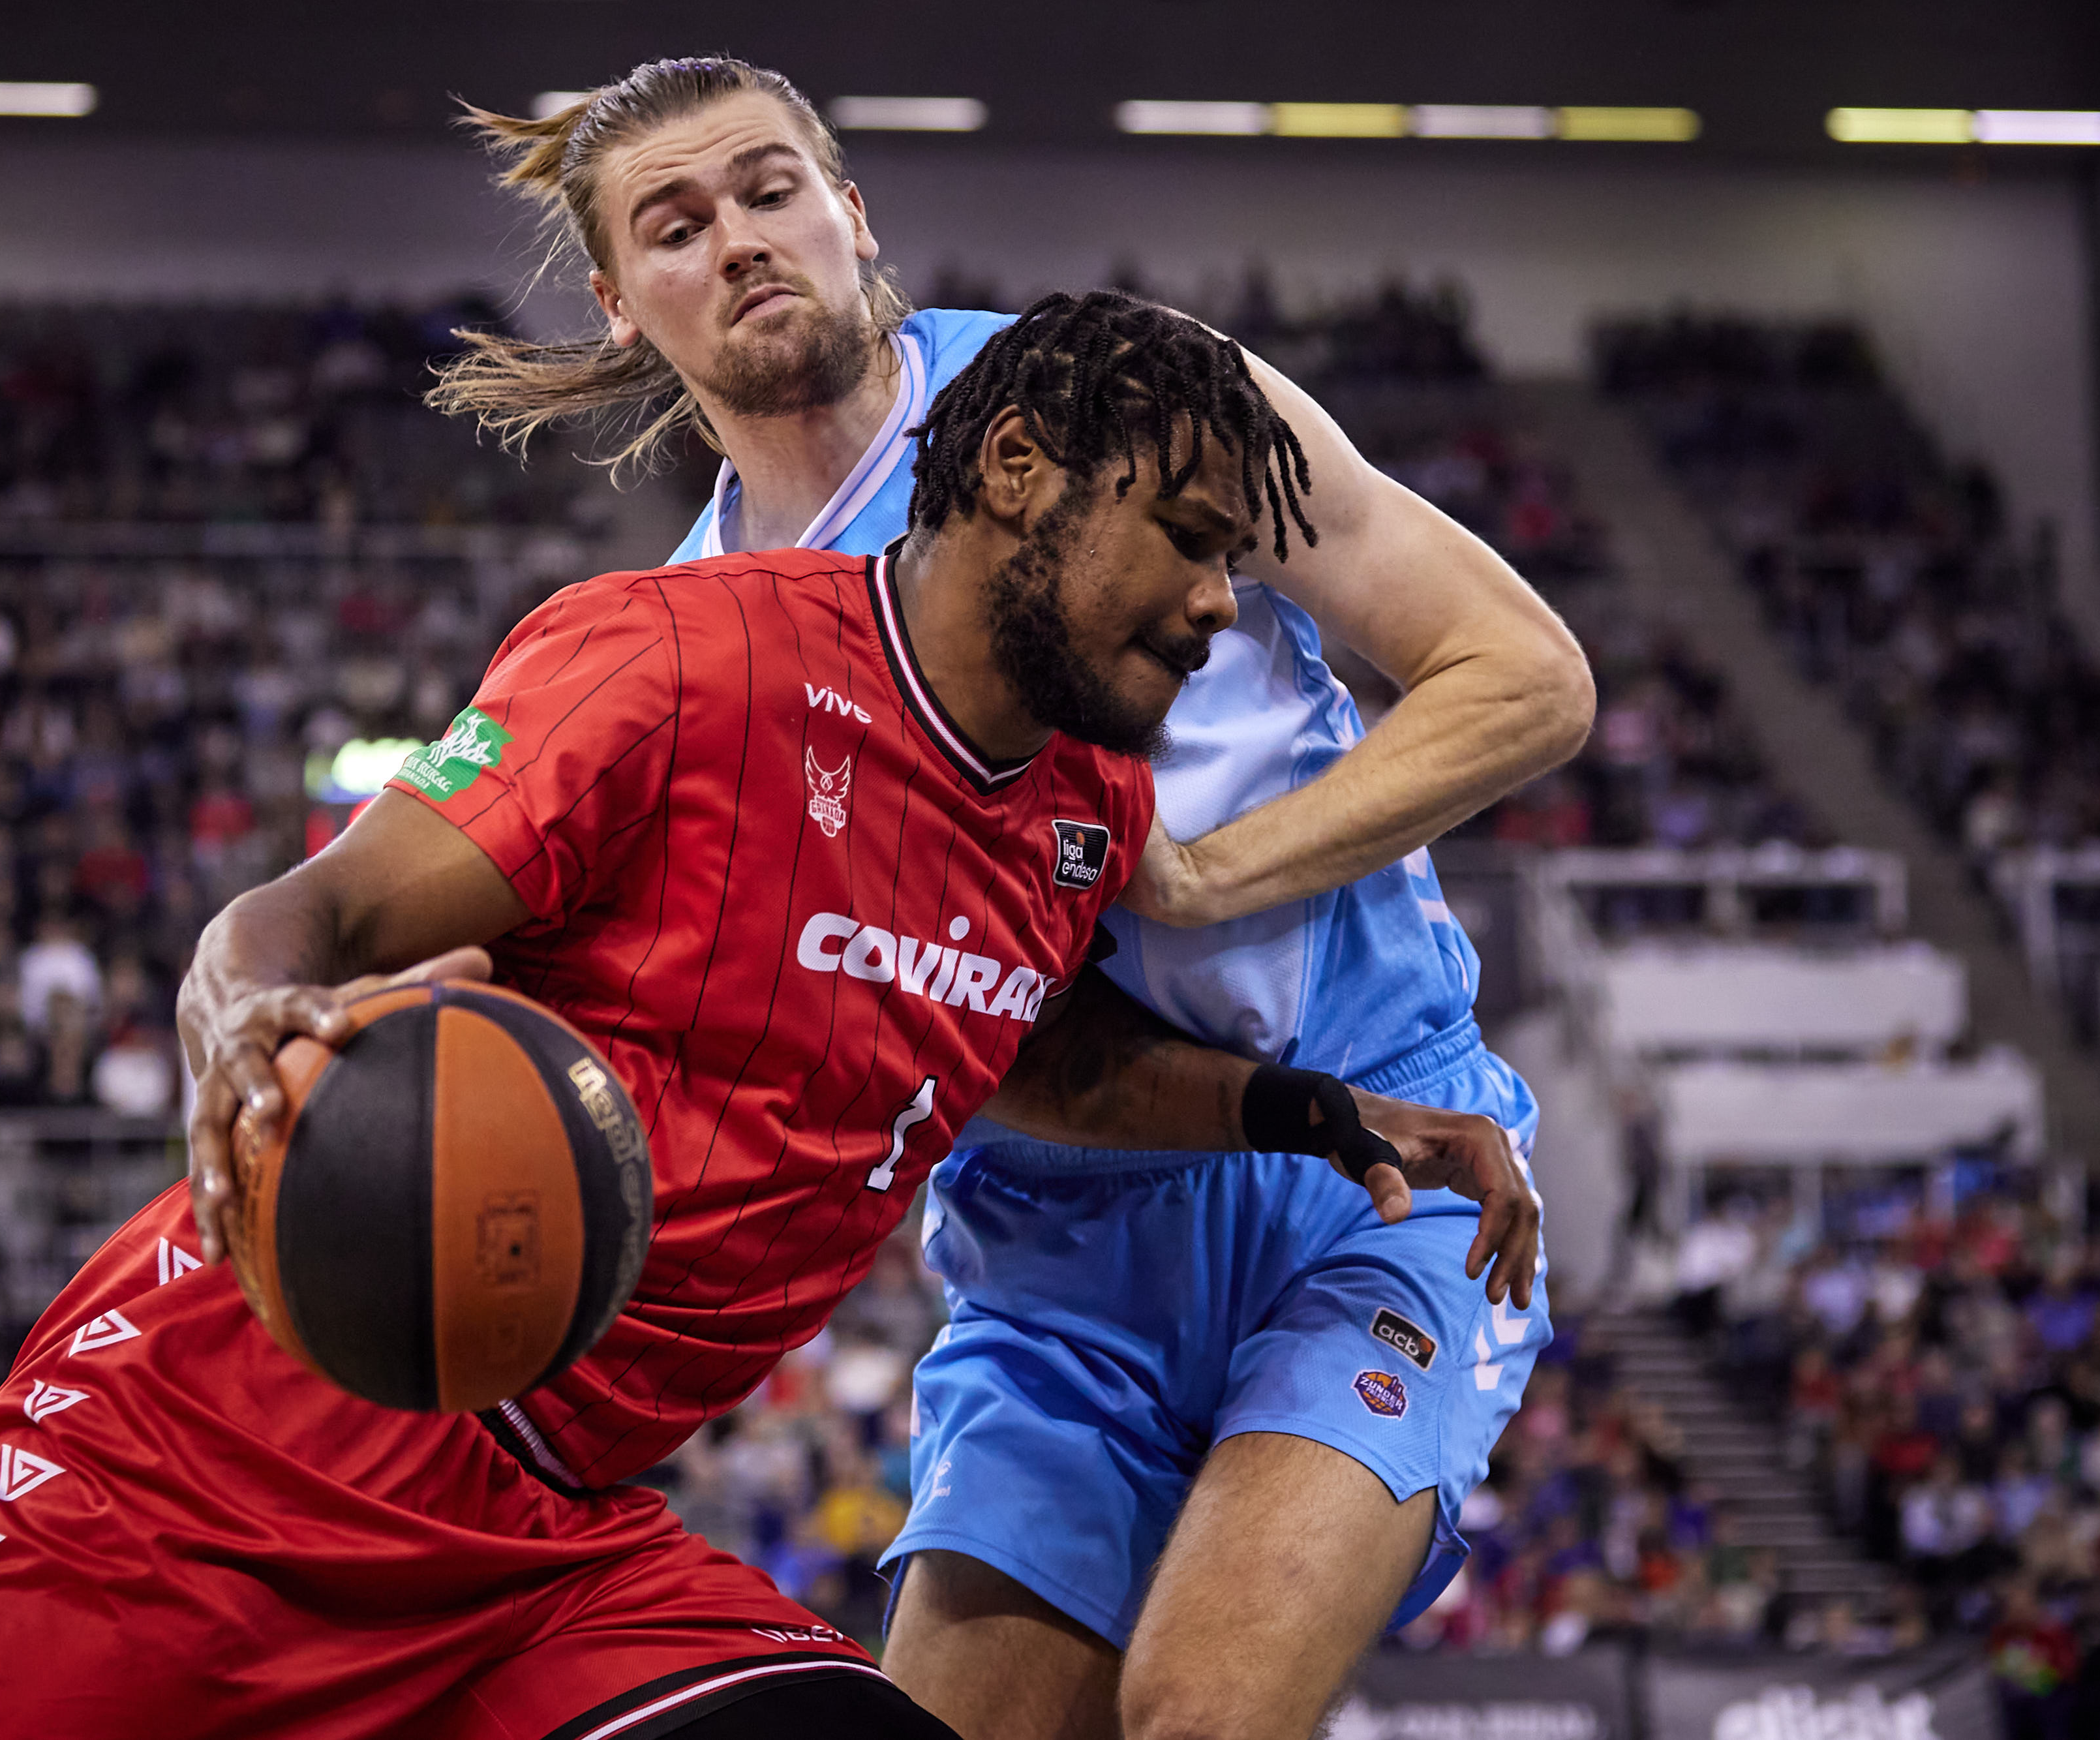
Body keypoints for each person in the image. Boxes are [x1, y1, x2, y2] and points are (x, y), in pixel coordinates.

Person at [0, 296, 1514, 1740]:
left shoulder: (1087, 807)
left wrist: (1311, 1111)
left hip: (548, 1540)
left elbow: (1024, 1050)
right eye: (1194, 541)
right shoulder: (679, 660)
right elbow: (313, 912)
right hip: (237, 1440)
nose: (1223, 602)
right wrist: (249, 1018)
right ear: (1015, 471)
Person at [436, 57, 1589, 1737]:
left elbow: (1525, 676)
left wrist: (1196, 878)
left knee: (1199, 1715)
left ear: (851, 213)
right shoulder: (693, 644)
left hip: (1375, 1160)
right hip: (1055, 1245)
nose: (741, 240)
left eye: (771, 190)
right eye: (676, 227)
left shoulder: (1134, 396)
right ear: (620, 304)